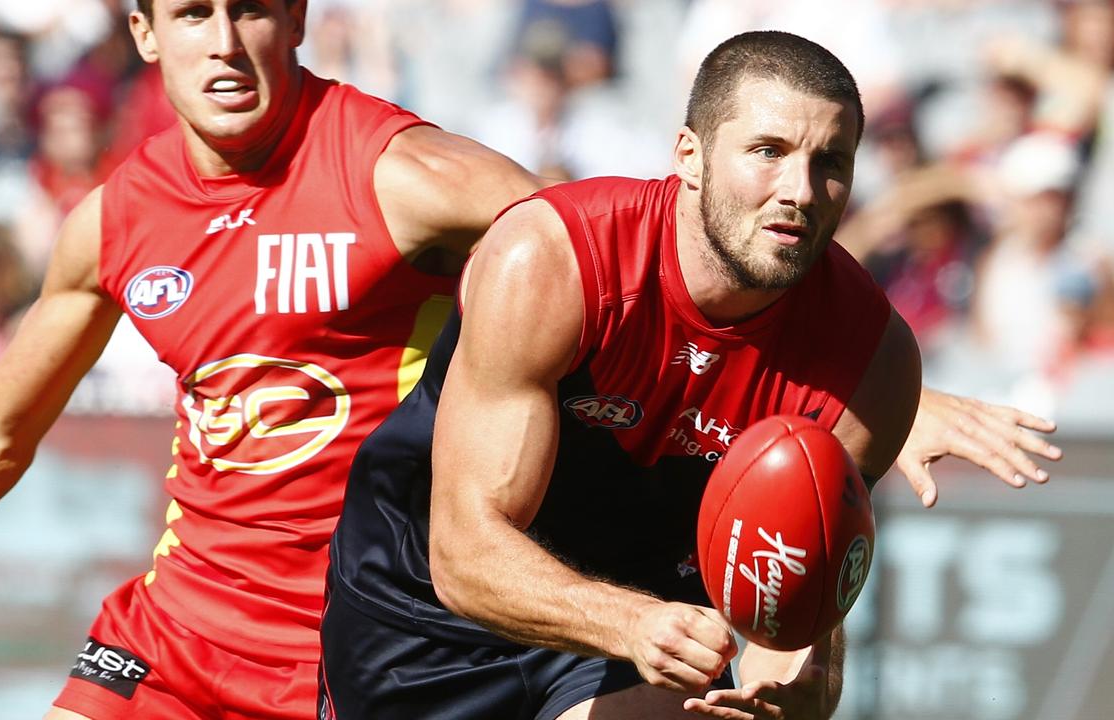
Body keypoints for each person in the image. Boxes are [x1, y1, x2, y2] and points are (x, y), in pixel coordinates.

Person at [0, 6, 1058, 720]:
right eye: (192, 9)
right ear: (140, 27)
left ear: (299, 13)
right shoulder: (112, 221)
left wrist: (882, 405)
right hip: (177, 633)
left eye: (254, 5)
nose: (227, 41)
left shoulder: (404, 173)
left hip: (345, 652)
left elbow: (626, 273)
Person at [319, 30, 1056, 720]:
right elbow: (465, 555)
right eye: (768, 151)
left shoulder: (872, 359)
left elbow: (788, 594)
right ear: (690, 157)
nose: (801, 188)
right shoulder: (555, 260)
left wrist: (801, 688)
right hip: (423, 615)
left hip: (647, 624)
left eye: (831, 162)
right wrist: (634, 622)